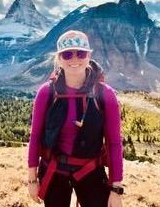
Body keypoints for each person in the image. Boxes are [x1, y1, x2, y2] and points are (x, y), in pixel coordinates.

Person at [28, 30, 123, 207]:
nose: (74, 59)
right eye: (67, 54)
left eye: (81, 53)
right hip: (54, 170)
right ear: (59, 58)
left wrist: (116, 188)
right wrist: (32, 180)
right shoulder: (46, 93)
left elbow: (115, 143)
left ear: (89, 56)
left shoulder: (105, 94)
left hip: (91, 171)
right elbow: (35, 137)